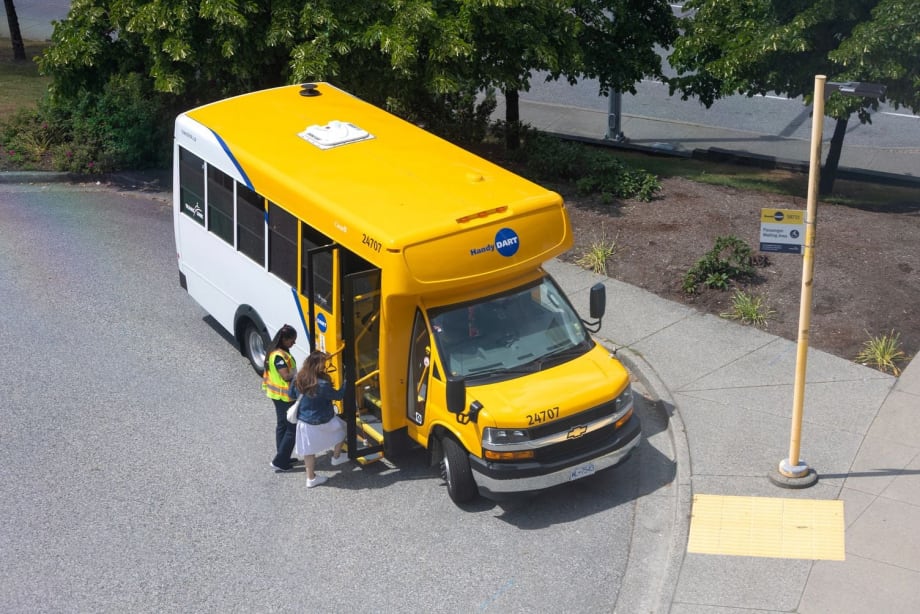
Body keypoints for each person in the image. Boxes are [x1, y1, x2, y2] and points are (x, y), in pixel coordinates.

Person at [291, 351, 350, 488]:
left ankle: (310, 478)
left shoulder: (298, 378)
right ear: (318, 366)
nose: (325, 365)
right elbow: (338, 395)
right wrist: (347, 381)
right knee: (342, 429)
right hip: (322, 419)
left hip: (304, 421)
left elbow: (291, 395)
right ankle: (336, 457)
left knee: (309, 451)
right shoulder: (322, 384)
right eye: (324, 363)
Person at [262, 324, 300, 472]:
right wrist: (299, 374)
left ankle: (283, 455)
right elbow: (285, 376)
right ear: (284, 339)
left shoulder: (278, 351)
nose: (294, 343)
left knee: (283, 426)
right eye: (292, 340)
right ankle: (281, 461)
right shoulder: (279, 356)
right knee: (292, 429)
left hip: (278, 396)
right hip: (284, 397)